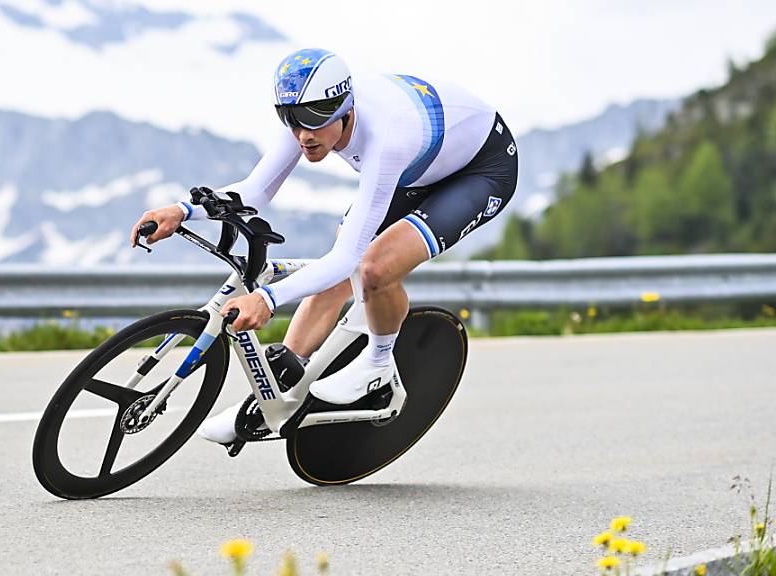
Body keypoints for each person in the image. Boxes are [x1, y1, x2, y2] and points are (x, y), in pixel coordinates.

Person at [130, 48, 517, 445]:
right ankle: (274, 398)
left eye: (317, 122)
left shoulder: (386, 136)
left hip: (480, 169)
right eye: (293, 122)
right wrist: (184, 210)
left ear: (347, 109)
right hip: (422, 167)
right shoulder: (306, 114)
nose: (304, 136)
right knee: (335, 277)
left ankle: (378, 363)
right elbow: (256, 191)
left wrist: (266, 298)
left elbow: (348, 258)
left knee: (372, 269)